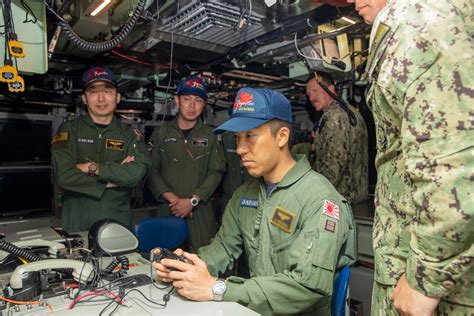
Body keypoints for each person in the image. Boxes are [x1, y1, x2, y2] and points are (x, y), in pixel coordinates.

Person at [153, 88, 357, 315]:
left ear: (282, 137)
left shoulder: (319, 200)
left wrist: (217, 288)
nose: (240, 149)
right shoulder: (245, 194)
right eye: (238, 138)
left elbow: (306, 286)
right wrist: (188, 267)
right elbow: (223, 248)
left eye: (250, 136)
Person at [346, 0, 474, 315]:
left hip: (431, 281)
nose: (352, 1)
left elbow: (454, 163)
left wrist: (425, 279)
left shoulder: (415, 17)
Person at [51, 66, 151, 232]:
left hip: (116, 224)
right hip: (76, 222)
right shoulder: (68, 130)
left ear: (117, 97)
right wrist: (114, 179)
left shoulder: (130, 134)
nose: (101, 98)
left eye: (107, 91)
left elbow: (135, 174)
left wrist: (92, 168)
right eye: (93, 92)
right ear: (84, 98)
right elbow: (64, 176)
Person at [147, 76, 226, 252]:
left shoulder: (210, 135)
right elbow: (151, 171)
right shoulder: (161, 133)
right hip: (169, 208)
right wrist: (175, 201)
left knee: (203, 259)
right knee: (164, 261)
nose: (192, 106)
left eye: (198, 100)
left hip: (200, 211)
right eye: (187, 99)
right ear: (177, 100)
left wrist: (192, 201)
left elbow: (216, 171)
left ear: (204, 104)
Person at [306, 73, 369, 204]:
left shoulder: (333, 117)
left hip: (339, 199)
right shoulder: (352, 112)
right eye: (308, 94)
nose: (311, 97)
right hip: (359, 195)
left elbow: (332, 169)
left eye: (315, 91)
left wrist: (313, 196)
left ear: (331, 89)